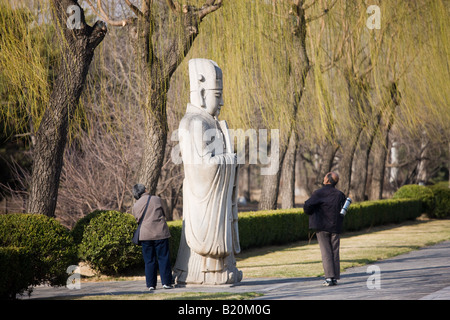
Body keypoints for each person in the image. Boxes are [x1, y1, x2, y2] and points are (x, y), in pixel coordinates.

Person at [304, 172, 346, 286]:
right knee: (335, 252)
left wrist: (310, 212)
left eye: (325, 176)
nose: (323, 178)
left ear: (327, 180)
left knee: (326, 252)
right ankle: (334, 278)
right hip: (336, 226)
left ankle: (329, 277)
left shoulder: (319, 193)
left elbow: (307, 205)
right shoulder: (340, 195)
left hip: (322, 226)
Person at [132, 184, 172, 290]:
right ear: (145, 190)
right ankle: (166, 283)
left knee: (149, 260)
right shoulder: (157, 199)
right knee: (163, 258)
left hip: (145, 235)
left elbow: (137, 219)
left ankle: (151, 285)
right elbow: (166, 213)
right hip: (160, 233)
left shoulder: (136, 205)